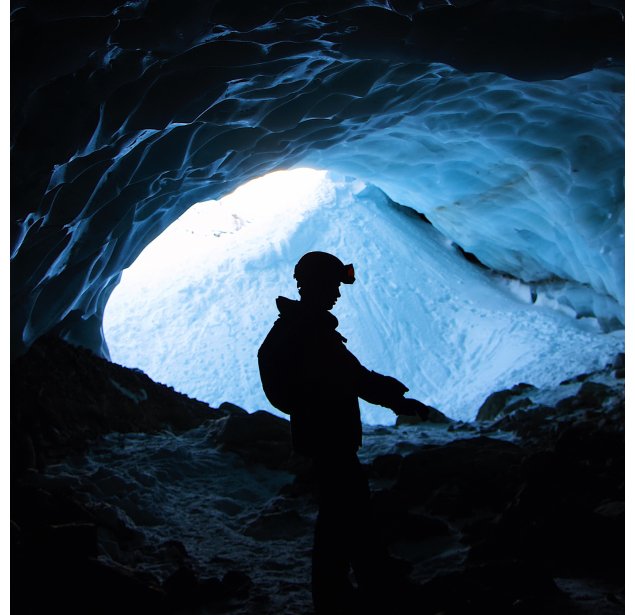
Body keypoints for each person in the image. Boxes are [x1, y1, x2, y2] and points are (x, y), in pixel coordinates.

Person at [258, 251, 432, 614]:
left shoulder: (302, 326)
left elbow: (347, 376)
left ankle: (355, 584)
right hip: (330, 438)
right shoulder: (311, 332)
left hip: (322, 436)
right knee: (345, 514)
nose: (337, 293)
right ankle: (355, 590)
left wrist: (388, 395)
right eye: (334, 285)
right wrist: (395, 398)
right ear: (317, 285)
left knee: (343, 513)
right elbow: (351, 377)